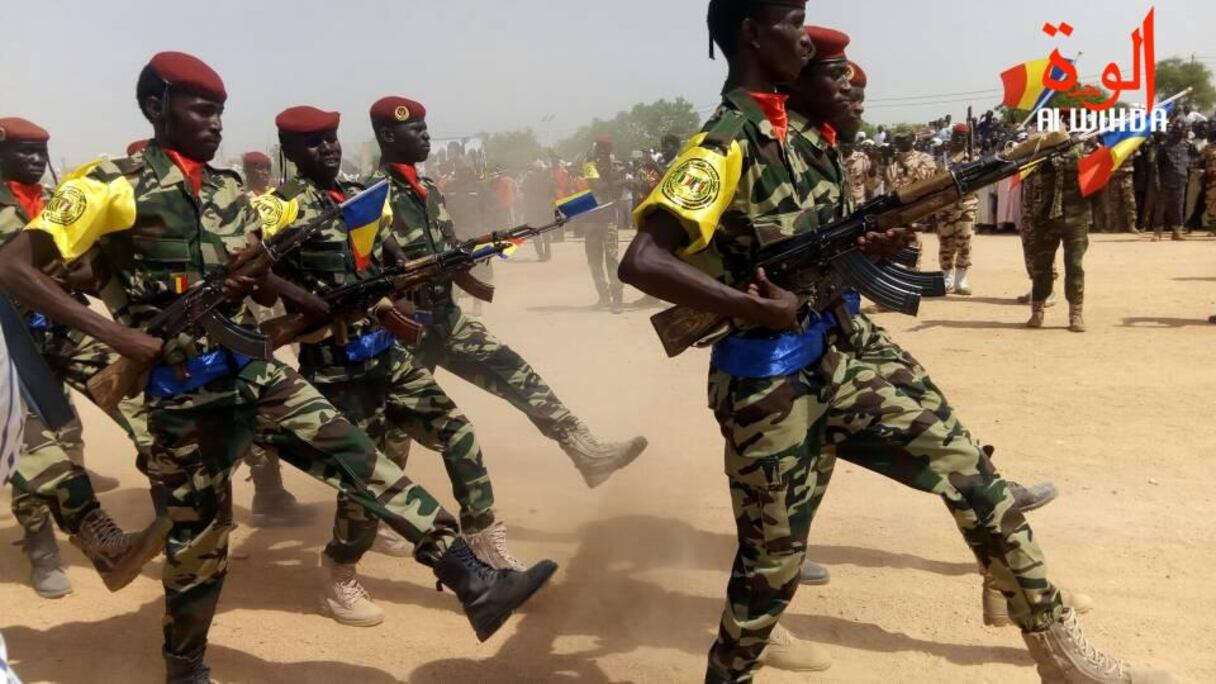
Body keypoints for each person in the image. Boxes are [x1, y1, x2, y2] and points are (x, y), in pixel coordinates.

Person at [620, 6, 1172, 682]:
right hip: (770, 385)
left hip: (848, 348)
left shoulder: (804, 138)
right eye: (793, 21)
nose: (804, 36)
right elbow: (642, 261)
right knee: (770, 569)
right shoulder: (723, 144)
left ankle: (1061, 656)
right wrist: (751, 307)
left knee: (977, 479)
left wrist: (865, 244)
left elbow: (813, 244)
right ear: (753, 35)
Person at [0, 52, 554, 683]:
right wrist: (118, 335)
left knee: (362, 459)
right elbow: (14, 267)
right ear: (156, 107)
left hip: (252, 370)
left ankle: (473, 579)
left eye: (220, 112)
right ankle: (185, 668)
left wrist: (304, 300)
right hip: (184, 397)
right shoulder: (107, 184)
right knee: (200, 545)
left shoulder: (228, 189)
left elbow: (256, 271)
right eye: (201, 110)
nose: (215, 123)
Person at [255, 105, 543, 627]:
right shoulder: (280, 207)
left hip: (385, 350)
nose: (329, 147)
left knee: (456, 431)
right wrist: (307, 302)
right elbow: (252, 270)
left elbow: (388, 256)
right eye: (314, 141)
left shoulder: (361, 196)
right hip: (335, 363)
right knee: (366, 484)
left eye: (332, 138)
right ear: (290, 151)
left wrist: (402, 284)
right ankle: (339, 570)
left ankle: (484, 537)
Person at [365, 95, 647, 498]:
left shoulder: (427, 190)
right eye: (416, 129)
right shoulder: (371, 196)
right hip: (403, 332)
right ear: (389, 136)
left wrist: (479, 249)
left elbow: (444, 246)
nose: (426, 136)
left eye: (426, 128)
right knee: (393, 430)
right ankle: (374, 508)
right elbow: (368, 262)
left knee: (514, 371)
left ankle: (585, 450)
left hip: (446, 318)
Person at [0, 116, 170, 599]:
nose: (36, 160)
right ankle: (44, 549)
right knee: (32, 443)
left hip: (62, 328)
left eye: (41, 152)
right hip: (8, 342)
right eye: (25, 151)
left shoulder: (59, 202)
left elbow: (82, 265)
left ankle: (176, 515)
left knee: (144, 405)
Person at [1025, 128, 1090, 332]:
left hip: (1075, 217)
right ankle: (1037, 310)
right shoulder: (1043, 156)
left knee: (1074, 266)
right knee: (1041, 265)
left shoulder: (1082, 155)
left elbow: (1094, 180)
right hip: (1046, 217)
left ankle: (1075, 314)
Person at [583, 135, 627, 312]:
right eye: (600, 147)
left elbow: (616, 192)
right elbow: (597, 186)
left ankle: (617, 299)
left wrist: (612, 177)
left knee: (612, 259)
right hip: (592, 218)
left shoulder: (616, 165)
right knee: (594, 260)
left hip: (608, 219)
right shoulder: (589, 164)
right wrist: (614, 179)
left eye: (605, 148)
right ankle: (603, 297)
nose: (602, 151)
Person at [936, 123, 979, 294]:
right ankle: (946, 277)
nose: (959, 140)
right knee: (946, 242)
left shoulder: (973, 158)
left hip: (966, 205)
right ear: (951, 137)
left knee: (965, 241)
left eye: (962, 137)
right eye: (956, 136)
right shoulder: (942, 159)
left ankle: (961, 280)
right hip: (945, 207)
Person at [1153, 119, 1191, 241]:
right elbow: (1157, 165)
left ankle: (1177, 232)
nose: (1182, 131)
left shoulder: (1187, 145)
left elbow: (1193, 160)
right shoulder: (1164, 145)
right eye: (1179, 129)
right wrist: (1157, 180)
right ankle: (1157, 232)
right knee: (1161, 207)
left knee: (1178, 207)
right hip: (1165, 180)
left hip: (1181, 180)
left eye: (1184, 129)